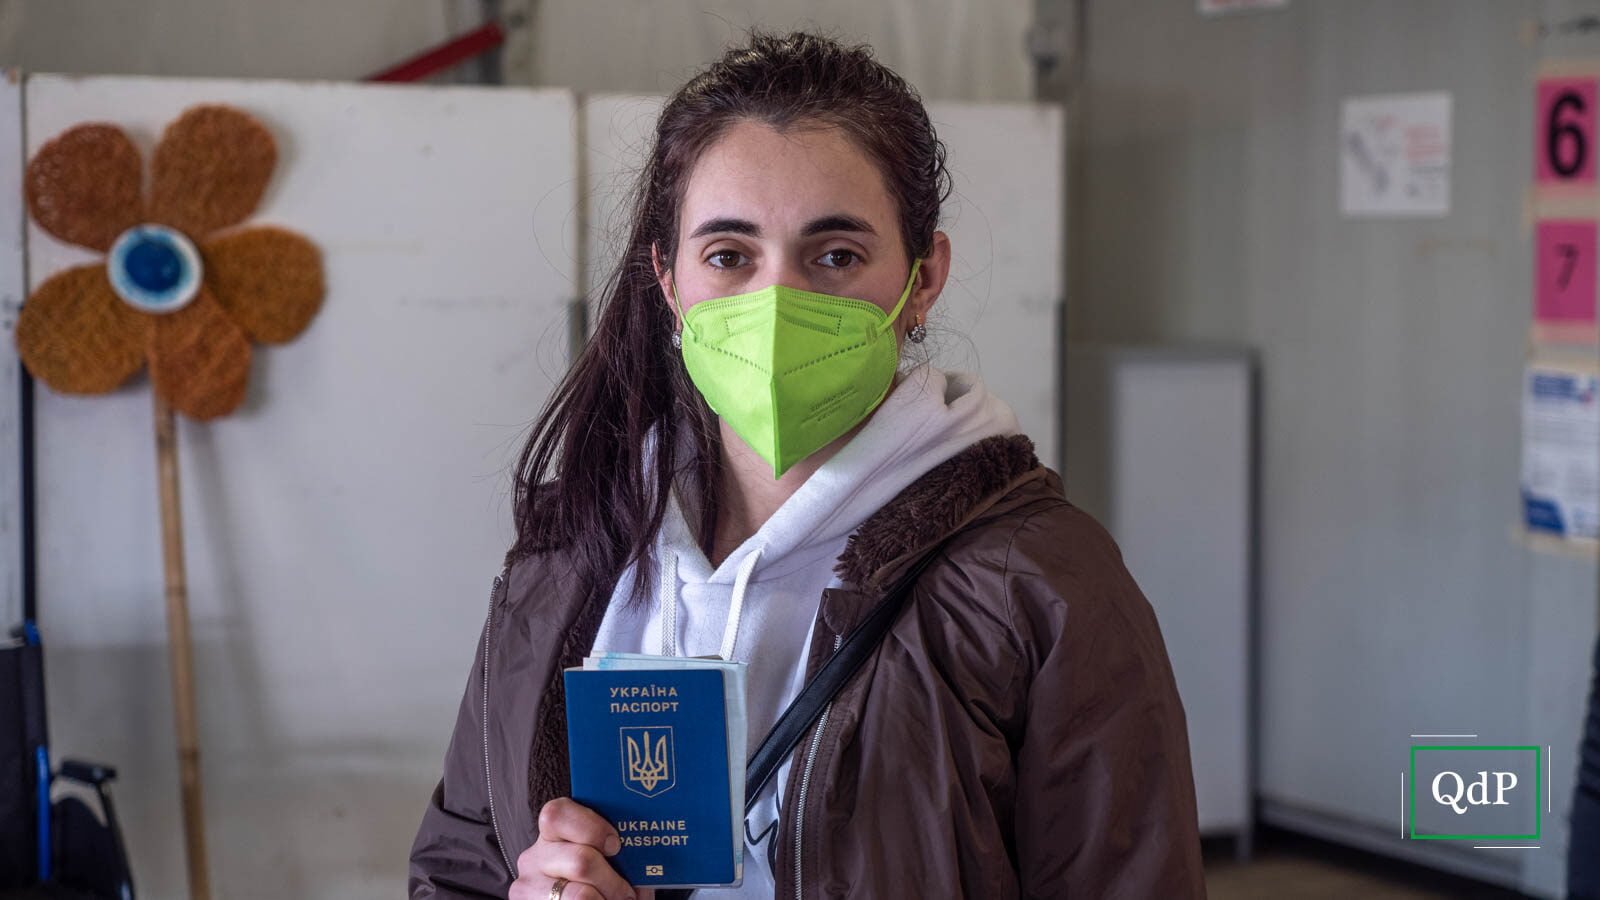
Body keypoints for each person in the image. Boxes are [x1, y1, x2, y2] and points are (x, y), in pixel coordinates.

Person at [409, 29, 1206, 900]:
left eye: (835, 257)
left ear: (924, 279)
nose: (777, 301)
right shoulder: (571, 552)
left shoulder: (1041, 585)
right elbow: (457, 869)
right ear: (668, 282)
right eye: (729, 256)